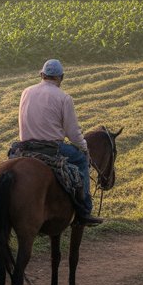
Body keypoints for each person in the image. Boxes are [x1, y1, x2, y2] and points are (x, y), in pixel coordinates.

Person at [18, 59, 102, 226]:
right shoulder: (64, 98)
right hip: (52, 148)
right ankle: (85, 210)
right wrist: (84, 148)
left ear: (42, 75)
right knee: (80, 160)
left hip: (25, 146)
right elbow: (72, 133)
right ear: (61, 78)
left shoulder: (26, 91)